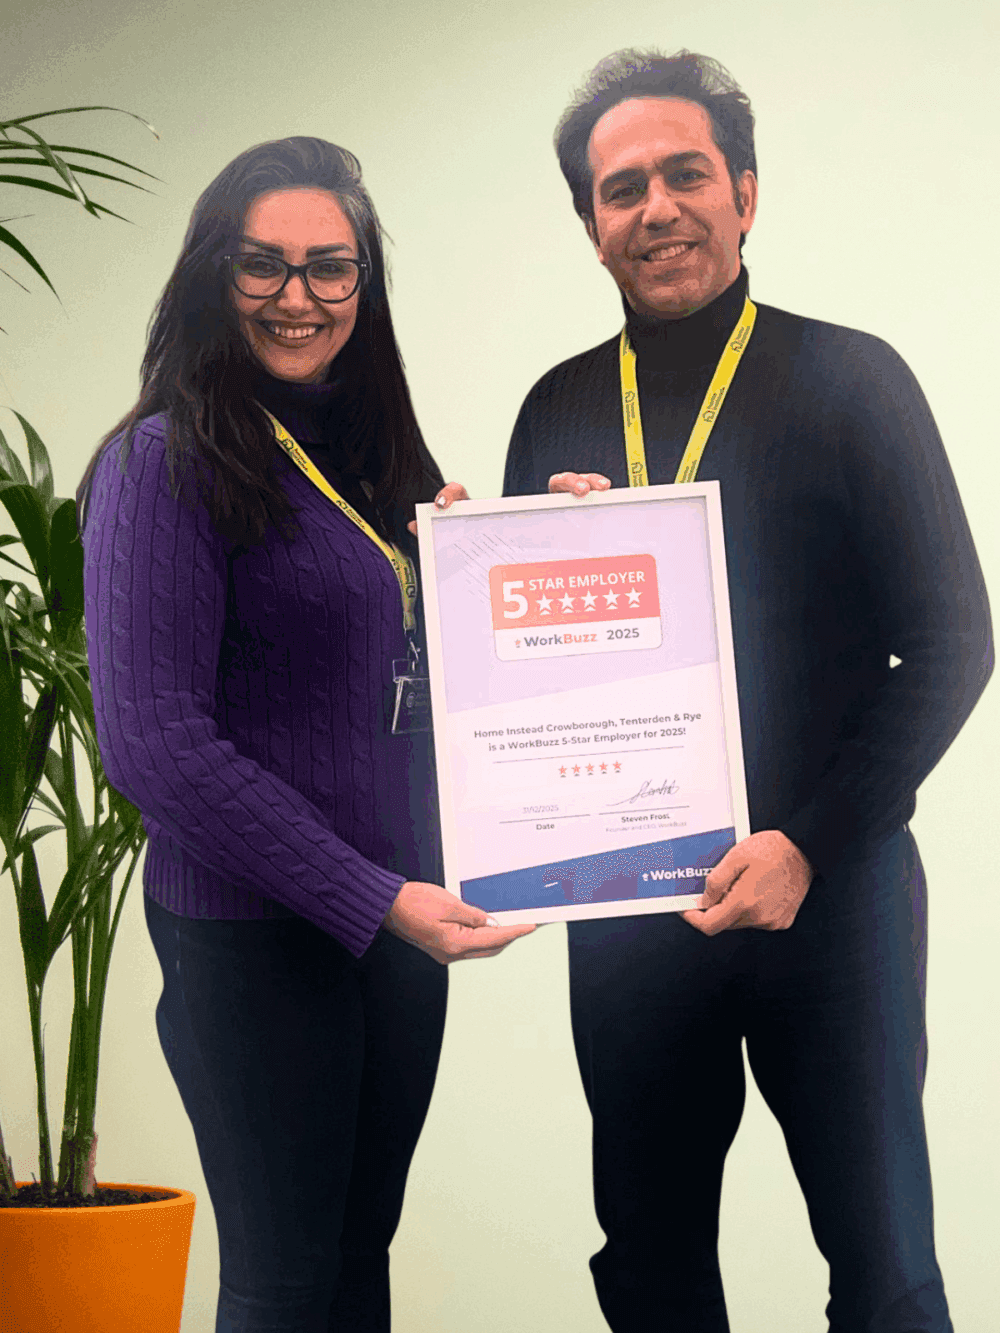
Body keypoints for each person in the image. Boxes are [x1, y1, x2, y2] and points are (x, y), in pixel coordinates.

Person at [502, 50, 992, 1333]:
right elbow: (517, 686)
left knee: (883, 1263)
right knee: (650, 1263)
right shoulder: (554, 410)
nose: (655, 207)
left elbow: (951, 641)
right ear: (589, 225)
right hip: (627, 910)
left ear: (746, 194)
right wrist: (494, 562)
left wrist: (806, 847)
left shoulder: (852, 379)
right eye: (621, 190)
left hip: (830, 899)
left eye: (684, 175)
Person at [78, 136, 533, 1333]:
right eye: (263, 265)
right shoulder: (159, 461)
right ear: (210, 276)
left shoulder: (383, 455)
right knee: (284, 1286)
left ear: (364, 283)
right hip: (257, 939)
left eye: (330, 268)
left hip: (388, 925)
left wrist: (557, 547)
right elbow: (154, 742)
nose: (298, 298)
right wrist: (373, 897)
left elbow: (417, 672)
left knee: (353, 1263)